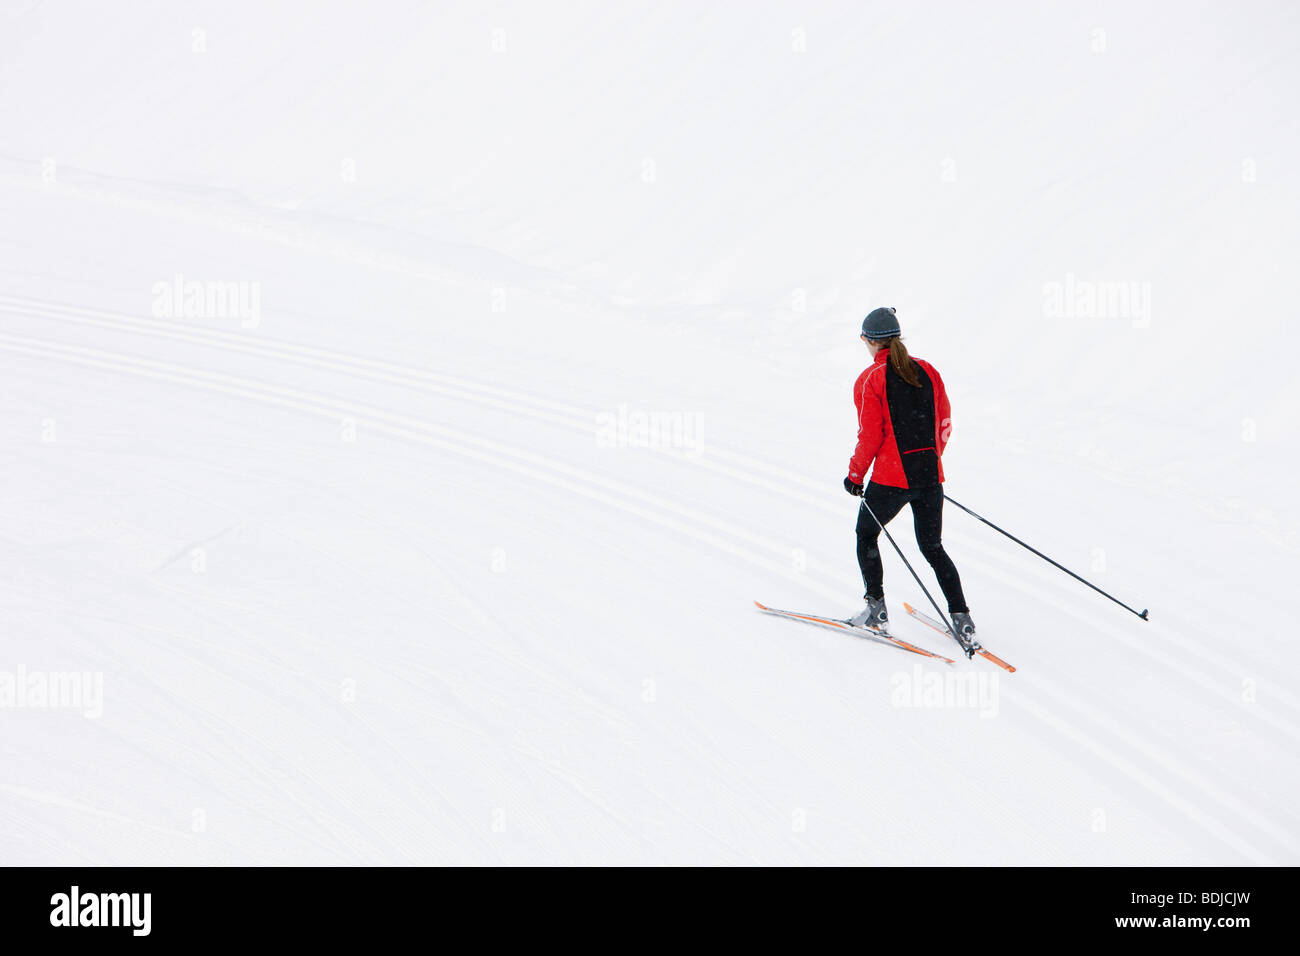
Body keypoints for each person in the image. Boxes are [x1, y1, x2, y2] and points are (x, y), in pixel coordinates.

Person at [842, 307, 975, 640]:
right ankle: (962, 619)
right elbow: (944, 424)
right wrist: (928, 462)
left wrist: (855, 476)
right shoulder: (928, 371)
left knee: (865, 535)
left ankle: (876, 611)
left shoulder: (870, 379)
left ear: (870, 341)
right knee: (932, 547)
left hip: (890, 480)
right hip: (930, 478)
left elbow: (869, 436)